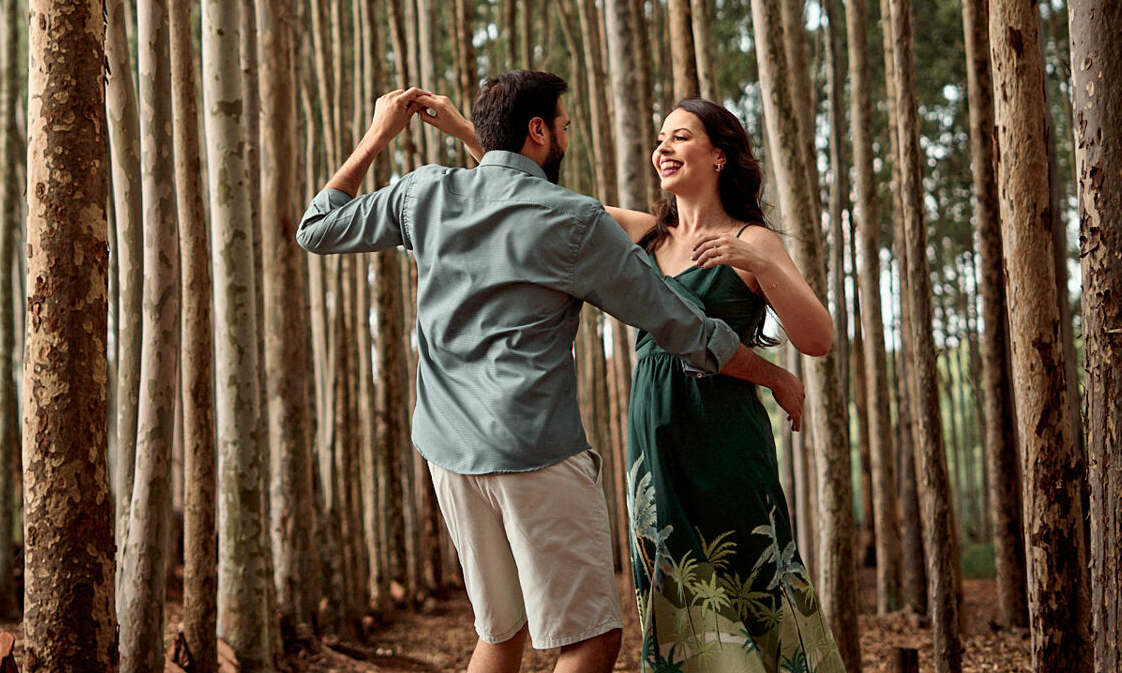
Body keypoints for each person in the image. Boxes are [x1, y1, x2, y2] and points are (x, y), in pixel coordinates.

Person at [297, 72, 806, 673]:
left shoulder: (423, 193)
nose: (567, 135)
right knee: (589, 641)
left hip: (448, 452)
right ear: (538, 131)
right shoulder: (576, 221)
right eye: (563, 126)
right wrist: (772, 375)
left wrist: (378, 136)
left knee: (499, 632)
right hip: (534, 452)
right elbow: (683, 328)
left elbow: (317, 229)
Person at [608, 99, 844, 673]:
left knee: (754, 586)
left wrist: (758, 264)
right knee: (678, 604)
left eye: (680, 136)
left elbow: (817, 338)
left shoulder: (753, 240)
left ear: (718, 155)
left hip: (727, 446)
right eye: (660, 138)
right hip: (654, 450)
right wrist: (477, 134)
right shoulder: (645, 236)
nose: (663, 148)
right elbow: (541, 204)